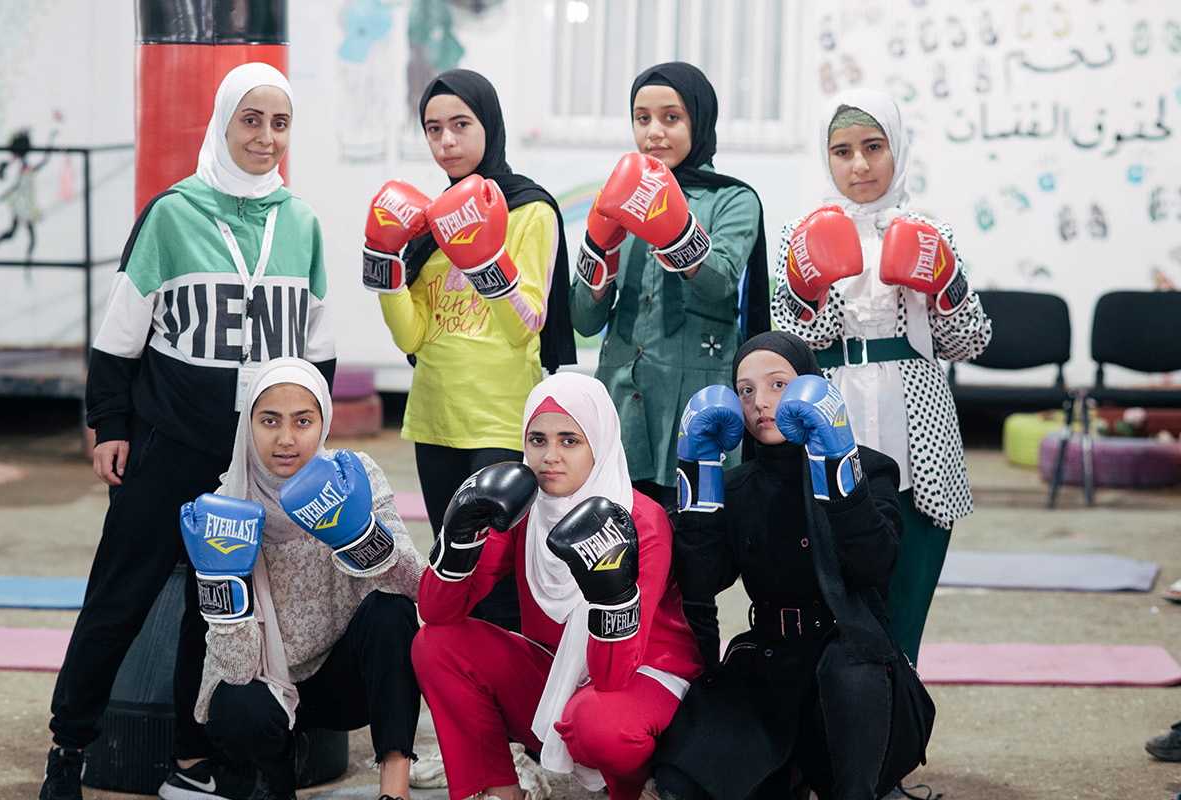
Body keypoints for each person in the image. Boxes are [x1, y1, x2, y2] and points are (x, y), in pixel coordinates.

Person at [39, 63, 336, 800]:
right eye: (252, 120)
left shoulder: (301, 223)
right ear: (225, 122)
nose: (265, 137)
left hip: (254, 461)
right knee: (119, 599)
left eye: (280, 123)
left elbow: (316, 347)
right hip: (171, 444)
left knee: (221, 612)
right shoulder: (172, 214)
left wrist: (308, 436)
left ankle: (192, 761)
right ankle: (66, 751)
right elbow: (119, 336)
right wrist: (109, 421)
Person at [771, 88, 992, 664]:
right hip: (831, 409)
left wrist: (945, 285)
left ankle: (899, 726)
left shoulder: (930, 232)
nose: (860, 165)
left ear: (898, 149)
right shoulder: (802, 231)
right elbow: (793, 343)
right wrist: (806, 285)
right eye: (842, 151)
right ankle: (840, 724)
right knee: (832, 581)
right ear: (826, 159)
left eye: (874, 147)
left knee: (909, 587)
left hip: (919, 418)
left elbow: (969, 342)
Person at [411, 372, 703, 800]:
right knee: (435, 645)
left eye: (569, 440)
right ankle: (498, 791)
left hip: (642, 678)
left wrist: (611, 594)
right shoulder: (525, 510)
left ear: (598, 444)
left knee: (599, 724)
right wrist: (458, 540)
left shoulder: (642, 520)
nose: (550, 457)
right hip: (557, 672)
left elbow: (612, 675)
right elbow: (437, 612)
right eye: (537, 440)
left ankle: (638, 789)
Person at [653, 331, 911, 800]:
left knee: (853, 683)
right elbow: (703, 581)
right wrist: (698, 476)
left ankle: (850, 778)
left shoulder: (870, 469)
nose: (759, 403)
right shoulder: (736, 484)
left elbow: (876, 566)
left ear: (811, 387)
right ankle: (790, 769)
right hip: (769, 658)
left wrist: (838, 465)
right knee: (681, 782)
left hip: (849, 655)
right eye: (746, 390)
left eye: (778, 384)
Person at [363, 68, 572, 631]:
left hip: (502, 421)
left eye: (460, 125)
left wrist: (484, 259)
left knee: (499, 579)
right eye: (433, 129)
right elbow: (412, 337)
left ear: (490, 125)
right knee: (453, 569)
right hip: (434, 417)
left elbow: (525, 327)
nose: (446, 141)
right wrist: (382, 265)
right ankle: (465, 695)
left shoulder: (531, 209)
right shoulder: (427, 224)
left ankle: (512, 714)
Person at [185, 357, 425, 800]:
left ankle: (394, 787)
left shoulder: (355, 476)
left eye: (303, 421)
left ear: (323, 423)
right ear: (248, 425)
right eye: (269, 420)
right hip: (266, 681)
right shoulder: (226, 506)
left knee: (391, 613)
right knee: (238, 709)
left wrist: (360, 536)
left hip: (343, 678)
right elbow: (236, 670)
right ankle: (274, 782)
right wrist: (227, 589)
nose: (286, 439)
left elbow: (419, 591)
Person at [570, 61, 771, 516]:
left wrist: (675, 231)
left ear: (698, 122)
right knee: (615, 550)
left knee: (694, 552)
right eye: (642, 119)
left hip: (695, 403)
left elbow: (720, 286)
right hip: (621, 397)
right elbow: (583, 319)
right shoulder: (617, 197)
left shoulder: (733, 198)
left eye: (671, 118)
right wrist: (599, 254)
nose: (654, 133)